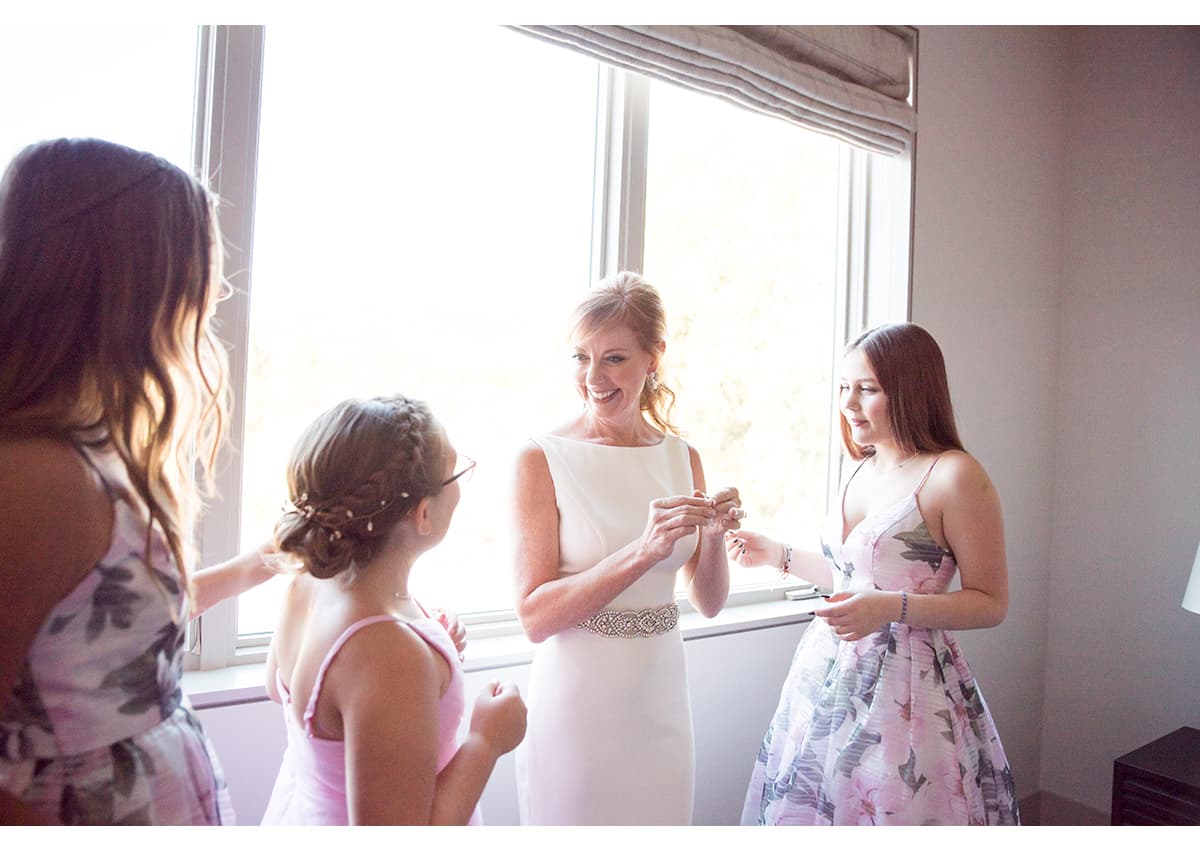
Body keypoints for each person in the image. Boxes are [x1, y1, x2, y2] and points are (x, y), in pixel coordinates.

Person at [0, 138, 279, 825]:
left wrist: (255, 566)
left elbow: (98, 645)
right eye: (196, 268)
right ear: (126, 279)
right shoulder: (39, 476)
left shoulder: (89, 451)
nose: (211, 294)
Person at [732, 322, 1020, 826]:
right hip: (827, 676)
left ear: (911, 391)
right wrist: (776, 553)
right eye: (844, 388)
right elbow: (855, 579)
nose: (848, 404)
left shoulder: (954, 475)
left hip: (908, 690)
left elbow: (990, 601)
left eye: (866, 390)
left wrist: (890, 609)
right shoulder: (863, 467)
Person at [511, 272, 743, 825]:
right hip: (579, 707)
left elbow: (708, 603)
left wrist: (712, 539)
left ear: (653, 357)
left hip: (661, 701)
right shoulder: (541, 458)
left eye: (614, 358)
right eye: (580, 357)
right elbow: (534, 618)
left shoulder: (681, 456)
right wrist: (641, 551)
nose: (593, 377)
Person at [260, 395, 526, 825]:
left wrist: (426, 645)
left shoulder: (309, 581)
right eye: (457, 472)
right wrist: (486, 740)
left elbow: (280, 688)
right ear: (423, 514)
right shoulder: (387, 654)